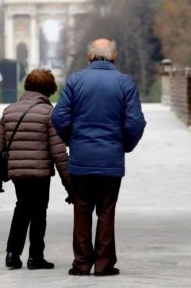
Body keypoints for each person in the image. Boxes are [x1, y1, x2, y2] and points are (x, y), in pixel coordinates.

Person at [52, 38, 146, 277]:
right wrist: (124, 145)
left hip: (81, 159)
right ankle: (104, 264)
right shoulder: (125, 82)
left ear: (89, 57)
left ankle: (82, 263)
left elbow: (59, 118)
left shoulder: (75, 81)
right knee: (106, 212)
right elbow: (135, 122)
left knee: (81, 210)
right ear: (114, 57)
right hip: (110, 159)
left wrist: (73, 141)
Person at [0, 69, 72, 270]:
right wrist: (70, 184)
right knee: (39, 212)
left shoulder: (9, 111)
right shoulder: (49, 113)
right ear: (49, 89)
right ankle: (35, 256)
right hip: (40, 172)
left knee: (22, 208)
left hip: (17, 172)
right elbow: (59, 152)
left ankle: (12, 253)